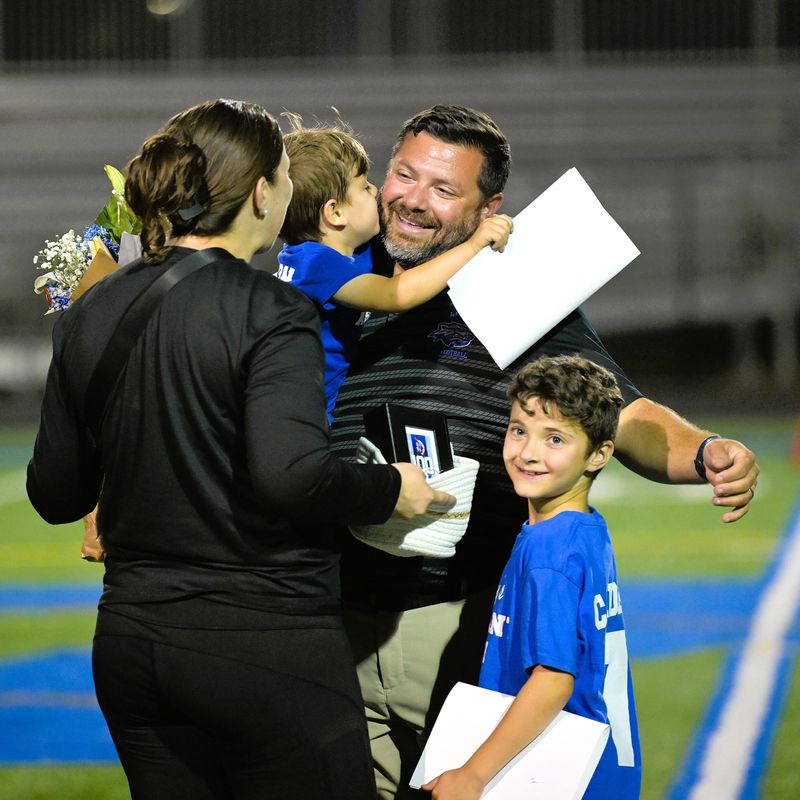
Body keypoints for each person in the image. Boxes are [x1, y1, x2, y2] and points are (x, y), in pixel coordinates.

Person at [26, 98, 455, 800]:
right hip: (264, 643)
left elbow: (55, 494)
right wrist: (391, 489)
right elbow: (290, 477)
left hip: (133, 647)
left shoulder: (89, 309)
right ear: (262, 193)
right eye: (285, 174)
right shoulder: (271, 308)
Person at [327, 104, 759, 798]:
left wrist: (702, 449)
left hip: (454, 618)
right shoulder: (335, 269)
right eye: (404, 175)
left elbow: (622, 408)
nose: (412, 200)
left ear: (489, 207)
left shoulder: (511, 279)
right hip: (327, 614)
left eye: (443, 190)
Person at [422, 355, 640, 800]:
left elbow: (553, 679)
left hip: (557, 775)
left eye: (554, 438)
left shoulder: (549, 549)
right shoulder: (583, 529)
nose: (527, 452)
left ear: (599, 454)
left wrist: (474, 774)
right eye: (519, 429)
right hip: (594, 768)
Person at [275, 118, 513, 420]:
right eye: (364, 186)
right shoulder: (316, 263)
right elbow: (397, 294)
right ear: (334, 212)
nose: (375, 191)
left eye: (443, 190)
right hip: (301, 420)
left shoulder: (309, 258)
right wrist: (473, 246)